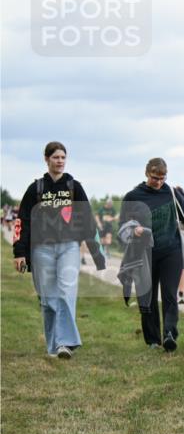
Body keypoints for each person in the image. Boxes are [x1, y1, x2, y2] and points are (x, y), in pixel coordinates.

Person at [11, 141, 106, 358]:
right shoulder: (35, 188)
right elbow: (22, 221)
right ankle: (54, 346)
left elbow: (86, 221)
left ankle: (65, 344)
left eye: (63, 157)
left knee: (66, 293)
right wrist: (19, 252)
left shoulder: (74, 187)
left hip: (68, 248)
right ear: (47, 159)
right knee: (48, 299)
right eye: (56, 157)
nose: (60, 161)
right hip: (41, 250)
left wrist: (97, 253)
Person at [119, 158, 184, 351]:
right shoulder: (133, 196)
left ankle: (170, 334)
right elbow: (122, 227)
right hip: (143, 253)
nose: (159, 182)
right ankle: (153, 340)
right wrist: (134, 230)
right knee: (147, 297)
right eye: (155, 178)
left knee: (170, 294)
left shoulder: (171, 193)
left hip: (171, 251)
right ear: (147, 173)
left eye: (163, 178)